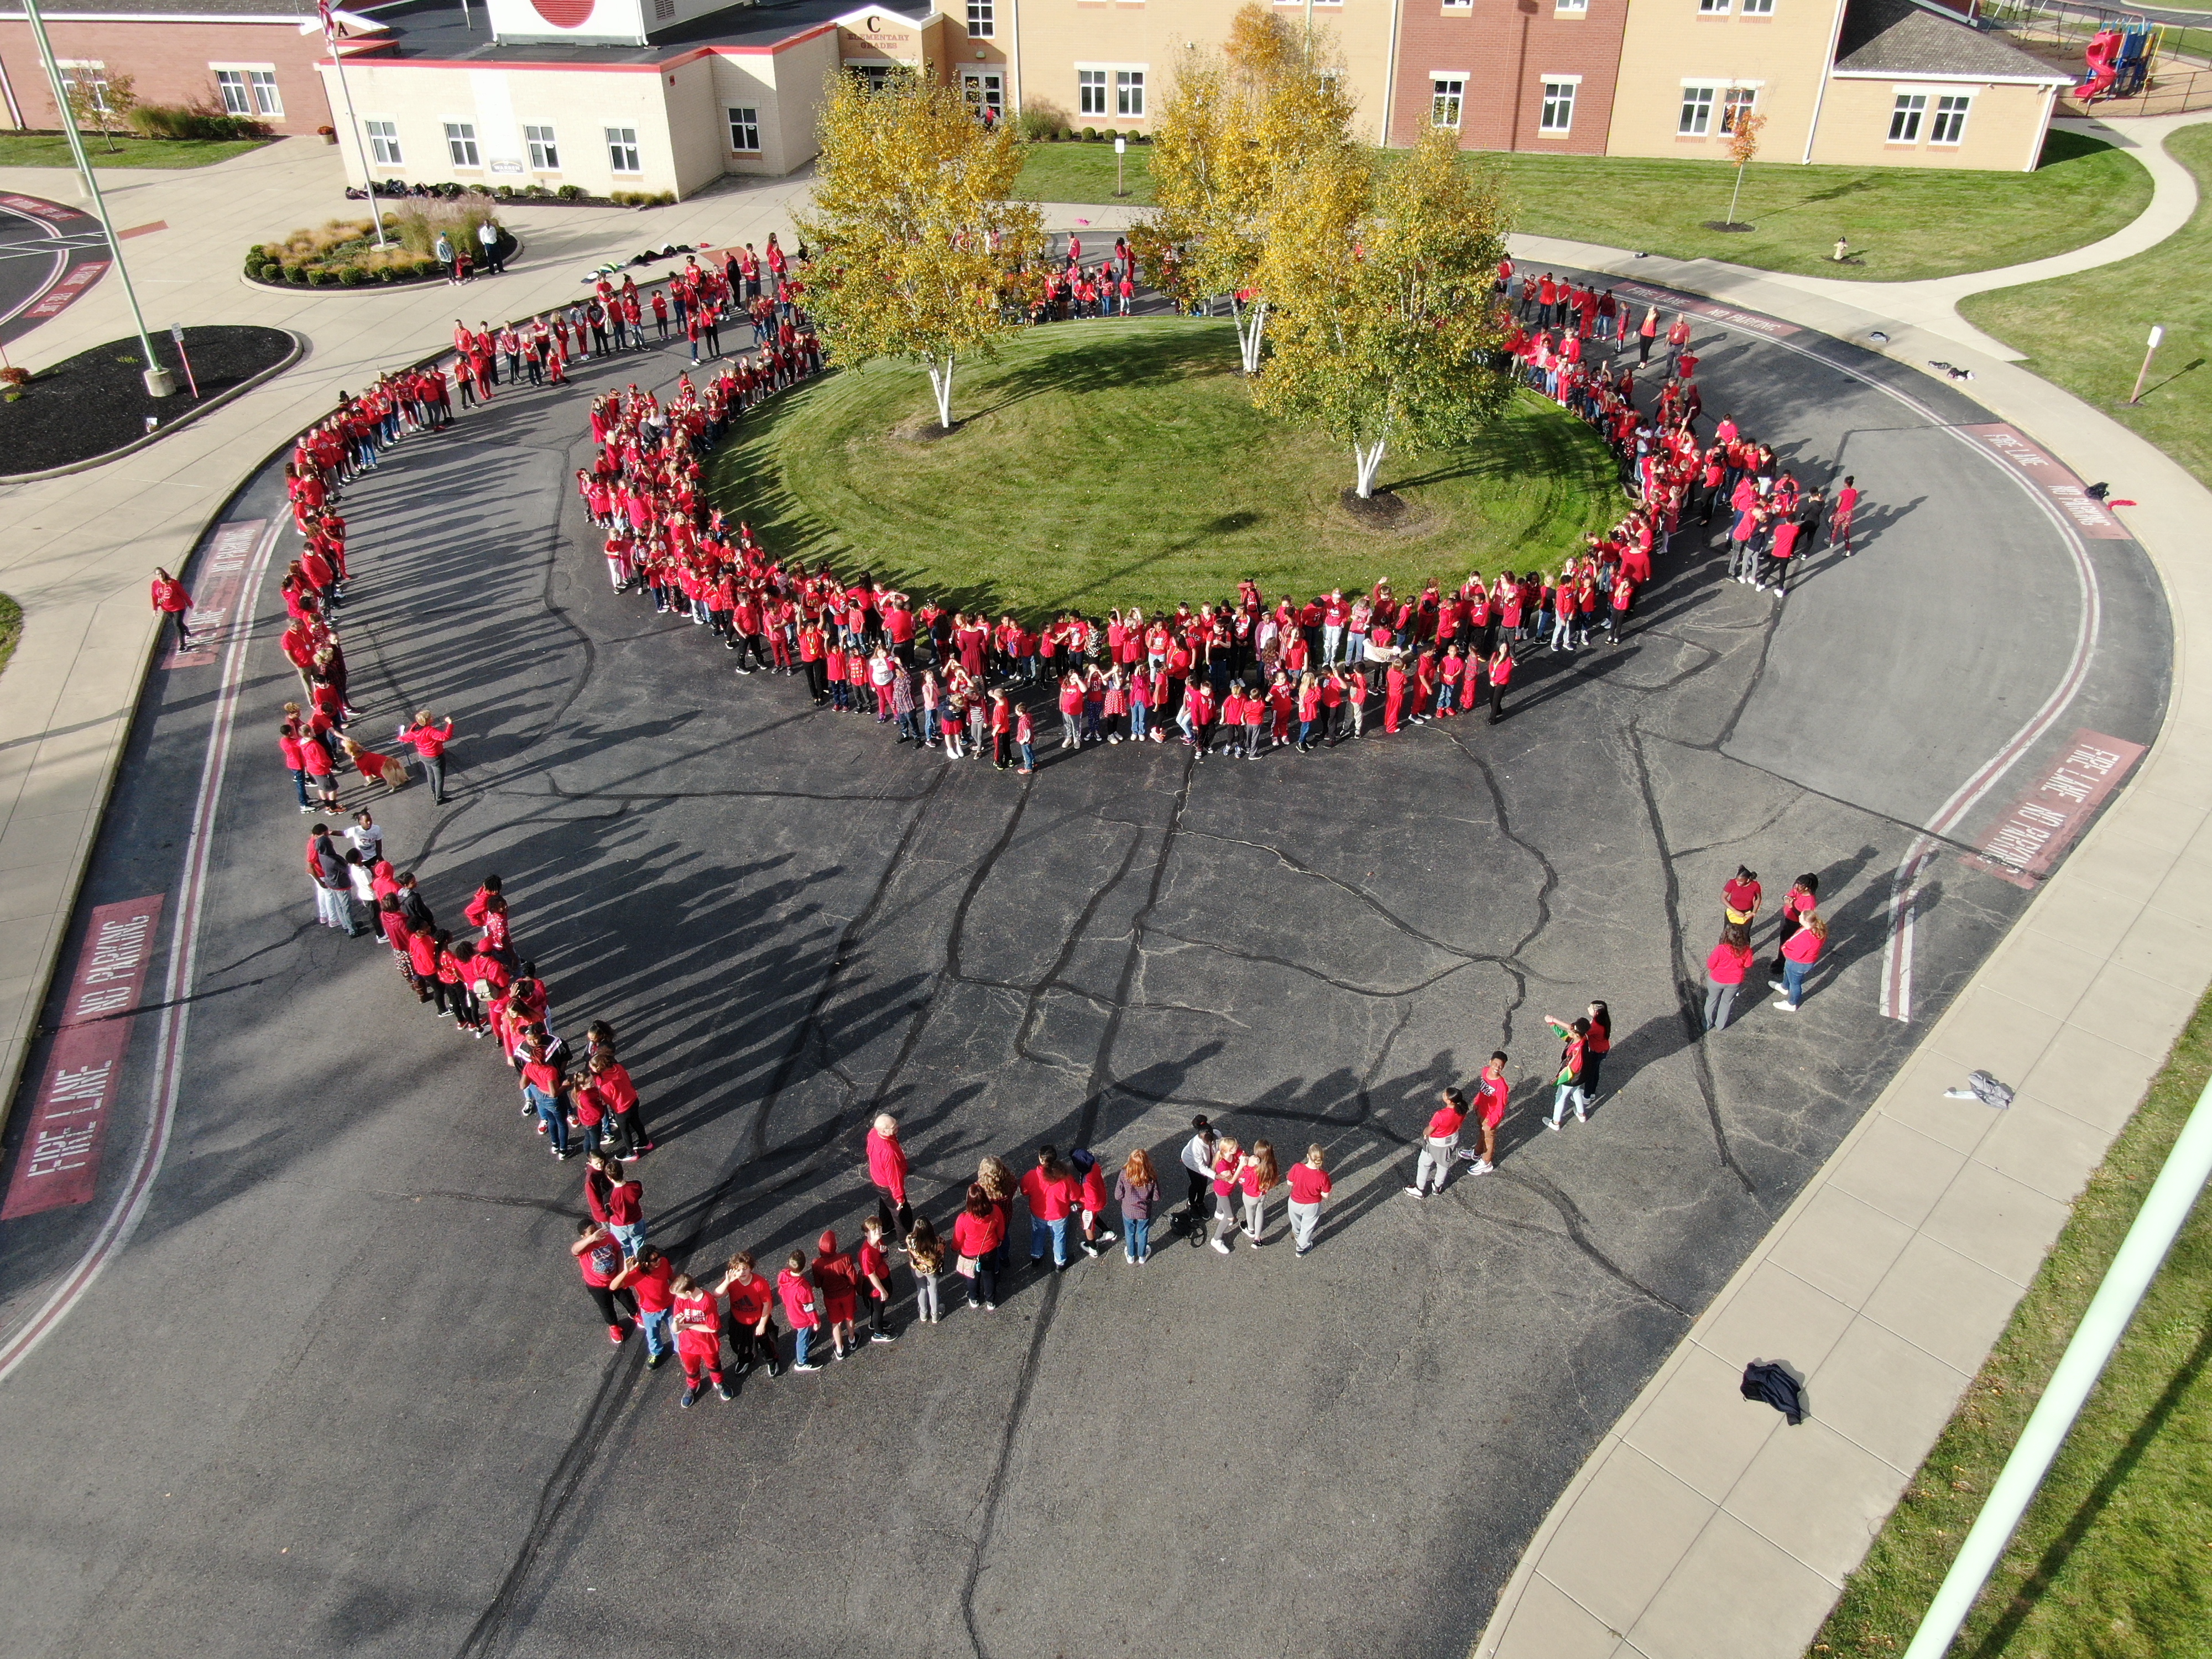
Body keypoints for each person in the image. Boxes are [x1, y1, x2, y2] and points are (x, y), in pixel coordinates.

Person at [717, 1251, 785, 1377]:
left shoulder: (760, 1283)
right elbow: (717, 1295)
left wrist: (762, 1325)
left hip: (758, 1321)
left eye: (745, 1269)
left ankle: (772, 1361)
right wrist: (727, 1282)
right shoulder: (732, 1282)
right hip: (738, 1322)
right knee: (740, 1345)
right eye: (738, 1269)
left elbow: (767, 1304)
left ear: (750, 1268)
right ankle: (745, 1360)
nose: (742, 1272)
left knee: (767, 1345)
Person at [669, 1272, 733, 1406]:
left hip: (707, 1343)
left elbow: (713, 1328)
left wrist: (689, 1325)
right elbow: (676, 1329)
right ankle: (693, 1385)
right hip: (688, 1344)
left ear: (688, 1292)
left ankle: (719, 1381)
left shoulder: (707, 1301)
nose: (677, 1298)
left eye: (680, 1295)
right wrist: (676, 1322)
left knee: (714, 1365)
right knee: (691, 1368)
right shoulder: (680, 1300)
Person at [569, 1219, 634, 1344]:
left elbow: (618, 1251)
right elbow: (574, 1250)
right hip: (597, 1285)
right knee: (606, 1307)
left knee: (627, 1297)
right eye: (592, 1232)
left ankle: (635, 1313)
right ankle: (614, 1327)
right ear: (584, 1236)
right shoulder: (583, 1247)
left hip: (615, 1277)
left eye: (596, 1228)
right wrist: (592, 1239)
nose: (596, 1233)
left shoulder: (608, 1237)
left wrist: (621, 1271)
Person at [609, 1245, 675, 1369]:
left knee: (676, 1331)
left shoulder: (664, 1263)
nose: (659, 1260)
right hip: (650, 1312)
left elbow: (671, 1277)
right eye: (654, 1259)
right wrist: (626, 1271)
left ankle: (680, 1350)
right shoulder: (636, 1274)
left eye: (658, 1256)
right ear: (645, 1263)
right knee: (652, 1335)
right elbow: (613, 1286)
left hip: (670, 1305)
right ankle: (656, 1352)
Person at [1021, 1146, 1077, 1270]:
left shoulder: (1032, 1176)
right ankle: (1060, 1262)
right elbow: (1074, 1195)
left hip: (1038, 1213)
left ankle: (1036, 1256)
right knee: (1059, 1237)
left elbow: (1024, 1191)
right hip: (1059, 1215)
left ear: (1041, 1159)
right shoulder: (1065, 1178)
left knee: (1038, 1233)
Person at [952, 1183, 1004, 1311]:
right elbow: (1001, 1230)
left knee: (972, 1277)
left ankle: (974, 1298)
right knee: (989, 1275)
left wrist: (954, 1248)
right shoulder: (995, 1211)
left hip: (970, 1254)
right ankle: (991, 1301)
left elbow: (958, 1239)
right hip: (989, 1250)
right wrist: (1000, 1239)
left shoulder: (963, 1219)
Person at [811, 1229, 860, 1360]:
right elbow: (853, 1280)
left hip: (831, 1297)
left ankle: (839, 1349)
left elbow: (817, 1284)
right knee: (849, 1317)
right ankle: (852, 1339)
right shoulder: (845, 1258)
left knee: (836, 1322)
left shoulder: (817, 1264)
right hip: (847, 1294)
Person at [1407, 1089, 1465, 1197]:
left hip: (1436, 1143)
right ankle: (1437, 1187)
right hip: (1452, 1139)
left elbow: (1429, 1130)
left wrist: (1425, 1133)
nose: (1443, 1094)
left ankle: (1419, 1189)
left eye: (1445, 1095)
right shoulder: (1462, 1109)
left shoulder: (1441, 1115)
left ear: (1449, 1101)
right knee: (1443, 1164)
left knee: (1424, 1163)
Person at [775, 1249, 825, 1370]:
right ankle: (802, 1362)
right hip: (802, 1319)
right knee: (802, 1338)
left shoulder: (783, 1275)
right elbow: (809, 1309)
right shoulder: (803, 1288)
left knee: (803, 1334)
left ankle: (810, 1339)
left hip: (792, 1312)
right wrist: (816, 1321)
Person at [865, 1111, 911, 1239]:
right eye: (894, 1127)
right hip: (887, 1183)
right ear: (884, 1131)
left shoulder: (874, 1133)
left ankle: (885, 1226)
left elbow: (870, 1151)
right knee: (901, 1212)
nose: (898, 1127)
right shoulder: (889, 1152)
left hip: (878, 1178)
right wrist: (899, 1197)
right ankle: (904, 1240)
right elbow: (894, 1177)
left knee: (886, 1202)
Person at [1704, 921, 1756, 1031]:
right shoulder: (1746, 950)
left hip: (1717, 979)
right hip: (1734, 981)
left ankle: (1707, 1024)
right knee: (1726, 1003)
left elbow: (1711, 964)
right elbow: (1748, 964)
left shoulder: (1721, 949)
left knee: (1712, 1000)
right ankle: (1720, 1026)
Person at [1465, 1052, 1510, 1174]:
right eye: (1495, 1064)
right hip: (1481, 1111)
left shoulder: (1502, 1086)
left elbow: (1500, 1107)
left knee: (1488, 1139)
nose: (1497, 1068)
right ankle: (1477, 1153)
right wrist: (1477, 1102)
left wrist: (1491, 1122)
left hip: (1491, 1117)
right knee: (1481, 1133)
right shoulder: (1485, 1072)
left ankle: (1486, 1162)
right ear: (1490, 1062)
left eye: (1500, 1066)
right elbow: (1482, 1090)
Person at [1543, 1014, 1590, 1129]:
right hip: (1581, 1076)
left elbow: (1571, 1069)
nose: (1568, 1031)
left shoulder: (1576, 1051)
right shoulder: (1583, 1038)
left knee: (1560, 1097)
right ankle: (1581, 1114)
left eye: (1570, 1032)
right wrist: (1553, 1022)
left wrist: (1558, 1079)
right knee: (1576, 1091)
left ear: (1575, 1035)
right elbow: (1570, 1029)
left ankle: (1555, 1123)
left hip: (1571, 1077)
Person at [1774, 911, 1827, 1010]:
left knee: (1795, 983)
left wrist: (1784, 950)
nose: (1799, 916)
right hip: (1801, 962)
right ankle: (1784, 987)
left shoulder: (1807, 938)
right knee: (1787, 972)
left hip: (1798, 963)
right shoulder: (1816, 929)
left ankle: (1792, 1004)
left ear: (1806, 922)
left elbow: (1797, 955)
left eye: (1801, 916)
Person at [398, 710, 456, 804]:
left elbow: (406, 738)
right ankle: (439, 798)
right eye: (431, 717)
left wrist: (400, 738)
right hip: (435, 756)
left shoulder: (415, 728)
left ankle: (434, 793)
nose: (433, 717)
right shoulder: (430, 731)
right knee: (439, 778)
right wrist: (450, 724)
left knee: (430, 774)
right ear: (427, 721)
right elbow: (445, 737)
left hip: (423, 756)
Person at [1114, 1147, 1159, 1264]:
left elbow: (1118, 1195)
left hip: (1128, 1209)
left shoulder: (1125, 1174)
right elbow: (1156, 1197)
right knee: (1143, 1232)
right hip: (1144, 1211)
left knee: (1129, 1232)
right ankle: (1142, 1256)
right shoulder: (1151, 1177)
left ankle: (1130, 1255)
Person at [1771, 873, 1820, 979]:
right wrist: (1786, 898)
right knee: (1783, 940)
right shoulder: (1797, 891)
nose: (1796, 888)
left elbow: (1804, 918)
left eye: (1800, 886)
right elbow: (1786, 895)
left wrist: (1792, 907)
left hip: (1795, 924)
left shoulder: (1810, 901)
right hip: (1787, 919)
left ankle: (1783, 964)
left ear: (1807, 888)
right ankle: (1780, 960)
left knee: (1788, 943)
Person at [1069, 1147, 1116, 1257]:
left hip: (1091, 1206)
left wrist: (1080, 1201)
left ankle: (1093, 1248)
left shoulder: (1087, 1182)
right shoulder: (1094, 1166)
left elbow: (1091, 1199)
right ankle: (1107, 1231)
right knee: (1094, 1217)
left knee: (1088, 1226)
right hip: (1101, 1197)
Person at [859, 1215, 898, 1344]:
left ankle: (875, 1323)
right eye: (875, 1230)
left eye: (880, 1228)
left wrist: (884, 1253)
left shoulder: (879, 1242)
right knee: (878, 1309)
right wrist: (882, 1290)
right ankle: (878, 1333)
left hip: (882, 1276)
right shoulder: (866, 1253)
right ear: (867, 1233)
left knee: (878, 1308)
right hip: (875, 1285)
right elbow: (871, 1275)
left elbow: (884, 1258)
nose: (879, 1232)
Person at [1285, 1144, 1331, 1255]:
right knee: (1308, 1227)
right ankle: (1301, 1247)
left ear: (1308, 1156)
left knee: (1295, 1220)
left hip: (1295, 1201)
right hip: (1312, 1205)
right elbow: (1326, 1195)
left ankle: (1296, 1234)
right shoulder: (1323, 1176)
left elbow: (1289, 1183)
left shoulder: (1297, 1167)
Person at [1208, 1135, 1246, 1254]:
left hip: (1225, 1189)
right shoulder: (1222, 1166)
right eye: (1235, 1147)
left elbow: (1242, 1154)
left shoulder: (1233, 1153)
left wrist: (1243, 1157)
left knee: (1222, 1205)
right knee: (1230, 1217)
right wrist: (1241, 1166)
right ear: (1229, 1150)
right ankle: (1216, 1239)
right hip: (1223, 1191)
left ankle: (1218, 1212)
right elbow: (1231, 1180)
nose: (1238, 1148)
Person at [906, 1215, 946, 1323]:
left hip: (917, 1268)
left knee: (921, 1289)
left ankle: (923, 1313)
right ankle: (935, 1314)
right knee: (933, 1290)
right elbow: (942, 1254)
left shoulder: (910, 1239)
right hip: (932, 1270)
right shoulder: (938, 1241)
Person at [1239, 1139, 1279, 1246]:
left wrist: (1247, 1166)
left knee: (1250, 1211)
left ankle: (1251, 1229)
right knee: (1260, 1210)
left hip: (1250, 1195)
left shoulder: (1253, 1170)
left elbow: (1242, 1181)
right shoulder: (1271, 1165)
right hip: (1263, 1193)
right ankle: (1257, 1238)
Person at [1178, 1115, 1217, 1221]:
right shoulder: (1195, 1145)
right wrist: (1216, 1176)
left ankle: (1200, 1202)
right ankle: (1191, 1203)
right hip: (1192, 1163)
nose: (1211, 1143)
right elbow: (1201, 1168)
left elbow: (1219, 1149)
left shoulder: (1216, 1135)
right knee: (1196, 1183)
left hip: (1206, 1162)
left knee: (1204, 1183)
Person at [150, 567, 194, 651]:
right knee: (178, 623)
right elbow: (154, 597)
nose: (160, 575)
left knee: (177, 624)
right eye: (158, 574)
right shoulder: (155, 584)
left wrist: (190, 603)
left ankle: (183, 644)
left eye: (161, 573)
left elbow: (182, 593)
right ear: (156, 576)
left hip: (178, 607)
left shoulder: (173, 583)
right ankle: (185, 629)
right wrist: (155, 608)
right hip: (166, 609)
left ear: (164, 573)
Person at [1582, 1000, 1612, 1103]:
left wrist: (1554, 1021)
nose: (1588, 1009)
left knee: (1590, 1074)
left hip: (1597, 1052)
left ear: (1597, 1012)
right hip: (1602, 1050)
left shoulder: (1596, 1026)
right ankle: (1592, 1093)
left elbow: (1579, 1030)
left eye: (1590, 1008)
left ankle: (1586, 1097)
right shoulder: (1603, 1020)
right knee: (1595, 1072)